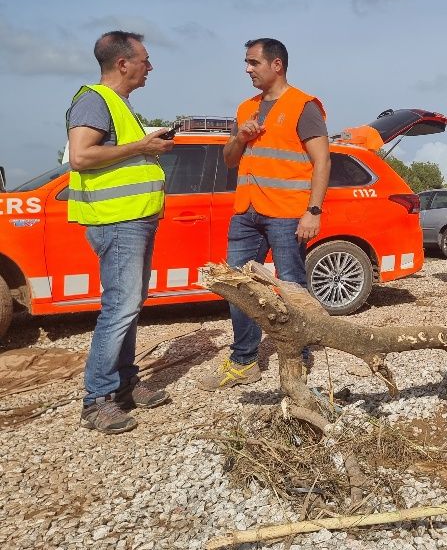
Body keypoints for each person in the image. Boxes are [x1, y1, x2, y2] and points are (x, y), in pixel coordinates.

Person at [198, 38, 330, 390]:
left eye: (253, 62)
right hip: (246, 210)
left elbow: (322, 161)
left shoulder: (304, 106)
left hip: (287, 213)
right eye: (246, 62)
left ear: (277, 65)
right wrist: (240, 137)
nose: (247, 69)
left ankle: (298, 357)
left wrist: (313, 211)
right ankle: (244, 361)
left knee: (290, 287)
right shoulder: (246, 109)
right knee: (237, 286)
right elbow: (229, 159)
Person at [67, 31, 175, 434]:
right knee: (120, 306)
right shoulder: (94, 100)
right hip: (117, 221)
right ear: (123, 63)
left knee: (129, 304)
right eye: (145, 60)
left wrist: (147, 148)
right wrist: (141, 147)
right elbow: (80, 156)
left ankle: (126, 384)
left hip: (134, 218)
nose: (150, 67)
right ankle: (97, 401)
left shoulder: (120, 105)